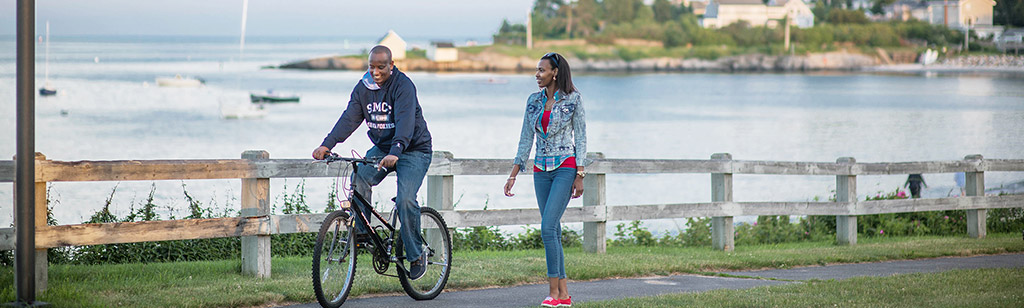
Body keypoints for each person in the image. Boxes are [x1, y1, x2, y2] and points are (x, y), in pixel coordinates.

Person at [312, 45, 433, 280]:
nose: (376, 72)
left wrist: (397, 150)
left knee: (406, 198)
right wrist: (327, 145)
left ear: (391, 65)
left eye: (381, 67)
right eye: (372, 66)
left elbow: (406, 122)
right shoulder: (363, 88)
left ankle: (416, 255)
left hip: (413, 149)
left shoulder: (403, 85)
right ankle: (363, 233)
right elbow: (349, 119)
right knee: (360, 177)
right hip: (384, 148)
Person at [504, 52, 586, 308]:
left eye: (541, 70)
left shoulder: (574, 100)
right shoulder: (533, 101)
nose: (537, 75)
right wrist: (514, 172)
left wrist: (580, 174)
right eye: (536, 70)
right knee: (554, 231)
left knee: (547, 228)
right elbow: (525, 138)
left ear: (555, 72)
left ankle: (553, 293)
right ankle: (564, 295)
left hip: (565, 167)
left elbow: (581, 138)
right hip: (540, 169)